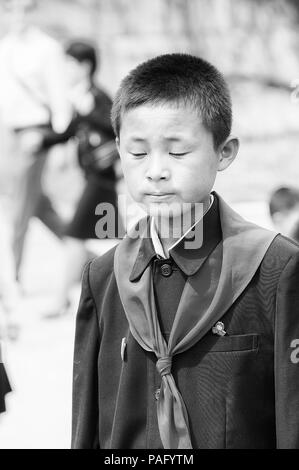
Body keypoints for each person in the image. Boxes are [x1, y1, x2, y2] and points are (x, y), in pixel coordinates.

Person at [72, 54, 299, 449]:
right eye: (138, 152)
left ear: (224, 152)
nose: (155, 170)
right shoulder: (104, 277)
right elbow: (88, 423)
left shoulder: (274, 269)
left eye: (177, 152)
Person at [40, 40, 121, 316]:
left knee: (75, 237)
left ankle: (61, 299)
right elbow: (69, 131)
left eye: (71, 64)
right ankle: (124, 287)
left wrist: (87, 110)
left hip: (103, 178)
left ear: (85, 65)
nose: (66, 70)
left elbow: (114, 126)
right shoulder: (81, 96)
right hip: (93, 179)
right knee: (113, 238)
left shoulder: (97, 96)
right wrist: (41, 140)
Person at [0, 0, 72, 279]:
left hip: (36, 134)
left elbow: (59, 97)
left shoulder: (47, 48)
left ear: (34, 11)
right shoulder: (5, 46)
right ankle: (83, 252)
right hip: (9, 134)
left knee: (18, 206)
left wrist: (61, 147)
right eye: (10, 8)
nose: (17, 15)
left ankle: (11, 277)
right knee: (37, 204)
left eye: (24, 8)